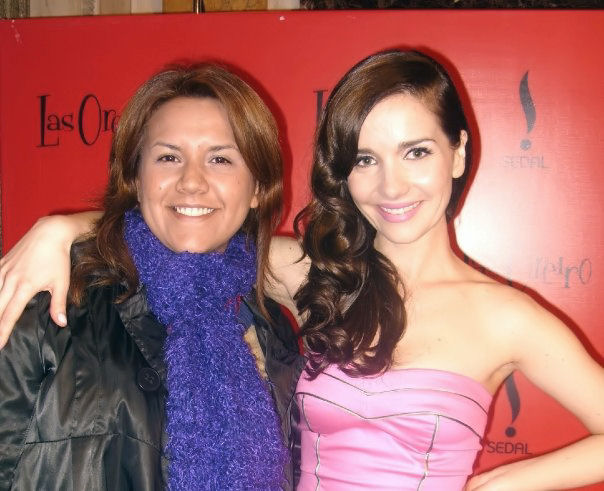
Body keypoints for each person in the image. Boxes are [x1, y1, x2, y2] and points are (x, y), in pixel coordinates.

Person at [1, 50, 603, 490]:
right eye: (365, 159)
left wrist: (503, 483)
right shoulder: (315, 273)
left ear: (458, 154)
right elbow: (191, 226)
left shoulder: (506, 316)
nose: (392, 185)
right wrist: (63, 228)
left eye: (416, 152)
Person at [0, 63, 305, 490]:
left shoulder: (273, 328)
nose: (192, 182)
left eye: (220, 158)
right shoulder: (52, 296)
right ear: (137, 179)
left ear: (257, 188)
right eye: (168, 157)